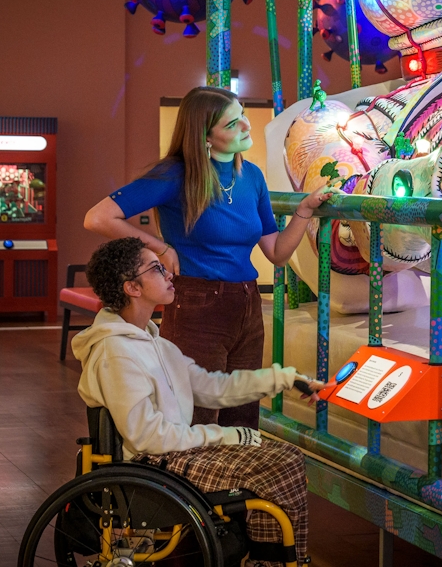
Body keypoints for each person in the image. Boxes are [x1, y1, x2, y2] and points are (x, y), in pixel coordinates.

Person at [85, 86, 331, 428]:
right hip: (197, 303)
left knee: (242, 416)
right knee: (195, 413)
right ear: (205, 136)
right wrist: (160, 247)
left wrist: (304, 210)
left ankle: (232, 482)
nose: (246, 126)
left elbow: (276, 253)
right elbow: (98, 217)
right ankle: (188, 483)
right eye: (232, 124)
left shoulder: (252, 177)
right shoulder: (175, 174)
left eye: (242, 115)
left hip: (248, 302)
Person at [73, 237, 322, 564]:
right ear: (133, 288)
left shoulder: (149, 338)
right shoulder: (116, 351)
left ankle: (272, 559)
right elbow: (147, 436)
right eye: (157, 269)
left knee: (287, 456)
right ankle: (276, 560)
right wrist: (225, 434)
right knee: (277, 468)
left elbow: (210, 386)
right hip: (148, 465)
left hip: (169, 452)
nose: (170, 274)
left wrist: (286, 379)